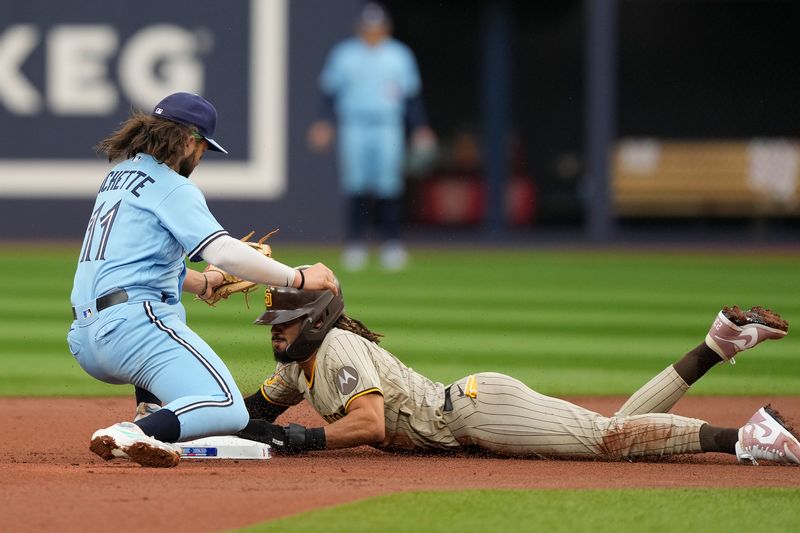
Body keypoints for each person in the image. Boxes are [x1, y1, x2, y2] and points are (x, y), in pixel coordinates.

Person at [236, 283, 800, 465]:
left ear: (314, 322)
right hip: (470, 416)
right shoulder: (298, 367)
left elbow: (371, 425)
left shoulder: (336, 350)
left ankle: (746, 440)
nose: (274, 333)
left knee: (609, 439)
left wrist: (301, 438)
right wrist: (187, 407)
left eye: (283, 324)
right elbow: (255, 409)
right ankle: (716, 344)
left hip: (479, 412)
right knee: (617, 430)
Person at [68, 92, 338, 468]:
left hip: (86, 338)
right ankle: (141, 430)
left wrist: (202, 282)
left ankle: (151, 409)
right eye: (204, 148)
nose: (200, 158)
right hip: (130, 331)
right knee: (228, 408)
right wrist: (298, 276)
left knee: (168, 308)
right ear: (189, 141)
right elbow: (224, 252)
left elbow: (135, 262)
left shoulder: (116, 177)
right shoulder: (173, 186)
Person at [307, 2, 437, 271]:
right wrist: (323, 122)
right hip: (354, 122)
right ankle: (355, 244)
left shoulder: (399, 55)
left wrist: (420, 126)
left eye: (377, 27)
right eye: (368, 28)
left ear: (386, 28)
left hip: (388, 123)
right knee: (356, 185)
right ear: (360, 28)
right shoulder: (345, 54)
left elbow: (411, 96)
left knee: (389, 186)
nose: (372, 32)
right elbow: (330, 92)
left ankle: (392, 243)